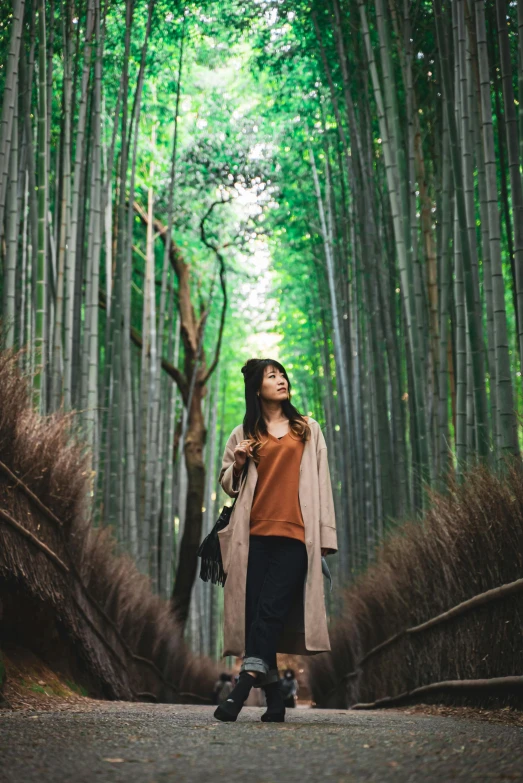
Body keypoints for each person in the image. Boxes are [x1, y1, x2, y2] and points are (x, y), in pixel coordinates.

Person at [213, 358, 338, 723]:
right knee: (256, 618)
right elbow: (227, 483)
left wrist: (325, 534)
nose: (281, 380)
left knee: (269, 613)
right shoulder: (243, 434)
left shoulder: (308, 429)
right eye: (272, 376)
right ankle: (276, 701)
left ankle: (238, 693)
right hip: (252, 539)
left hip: (296, 538)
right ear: (257, 389)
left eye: (282, 374)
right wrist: (237, 462)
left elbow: (323, 483)